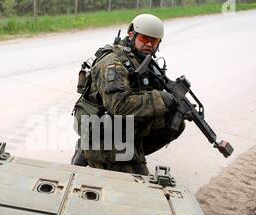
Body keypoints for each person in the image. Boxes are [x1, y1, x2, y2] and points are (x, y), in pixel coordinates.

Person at [72, 14, 185, 176]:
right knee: (140, 186)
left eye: (153, 41)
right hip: (101, 126)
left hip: (119, 124)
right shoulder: (113, 64)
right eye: (144, 39)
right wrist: (161, 98)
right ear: (132, 35)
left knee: (174, 121)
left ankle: (130, 152)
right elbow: (119, 106)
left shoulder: (141, 59)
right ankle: (92, 151)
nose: (148, 44)